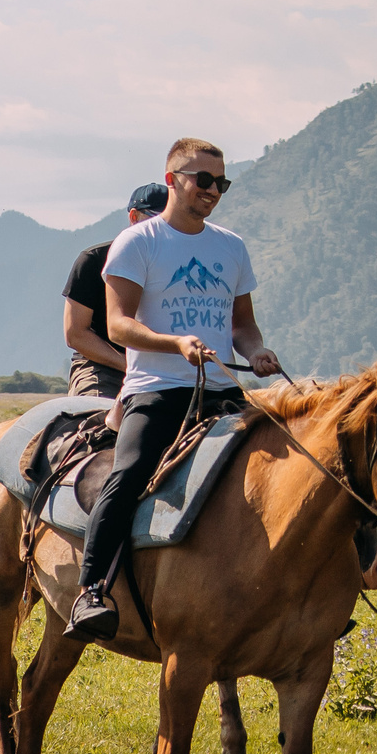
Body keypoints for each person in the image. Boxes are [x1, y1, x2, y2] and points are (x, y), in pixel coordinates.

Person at [66, 138, 282, 643]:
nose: (213, 190)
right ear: (172, 180)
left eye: (221, 183)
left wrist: (255, 353)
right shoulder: (139, 243)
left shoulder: (231, 246)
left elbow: (243, 325)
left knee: (294, 461)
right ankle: (93, 590)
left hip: (223, 390)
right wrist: (174, 342)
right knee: (130, 470)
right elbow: (117, 326)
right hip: (157, 388)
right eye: (203, 180)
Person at [59, 184, 169, 397]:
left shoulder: (178, 268)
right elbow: (76, 334)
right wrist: (129, 365)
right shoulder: (93, 260)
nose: (164, 230)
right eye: (156, 221)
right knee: (93, 418)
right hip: (101, 367)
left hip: (162, 372)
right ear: (134, 217)